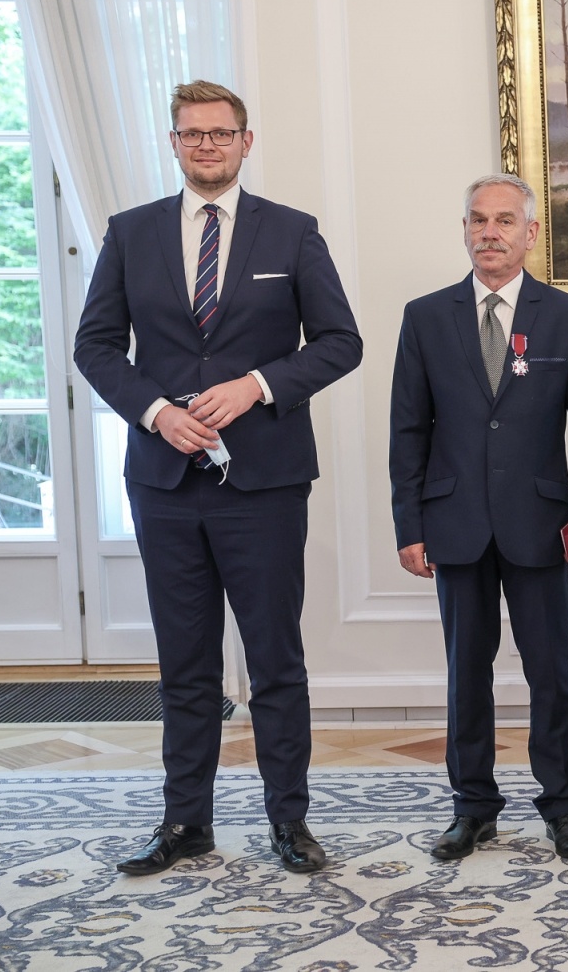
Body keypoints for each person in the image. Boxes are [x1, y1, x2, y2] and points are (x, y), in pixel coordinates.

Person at [74, 80, 362, 875]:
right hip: (165, 484)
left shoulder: (293, 232)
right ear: (173, 143)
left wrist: (257, 386)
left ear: (246, 141)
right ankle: (185, 824)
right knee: (185, 665)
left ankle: (289, 823)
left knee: (275, 662)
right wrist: (155, 413)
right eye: (192, 133)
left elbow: (340, 342)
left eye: (221, 133)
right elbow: (95, 345)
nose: (207, 145)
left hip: (265, 484)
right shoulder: (130, 233)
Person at [389, 173, 568, 862]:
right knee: (467, 672)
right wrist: (409, 526)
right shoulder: (426, 317)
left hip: (539, 524)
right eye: (478, 220)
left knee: (551, 671)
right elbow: (408, 431)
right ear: (464, 229)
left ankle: (563, 809)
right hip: (453, 522)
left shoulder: (567, 316)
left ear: (530, 233)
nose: (490, 232)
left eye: (504, 221)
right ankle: (473, 808)